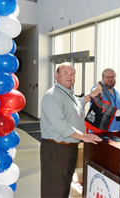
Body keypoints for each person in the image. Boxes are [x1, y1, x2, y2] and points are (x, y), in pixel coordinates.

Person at [40, 62, 103, 197]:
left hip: (69, 148)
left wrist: (90, 96)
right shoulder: (52, 95)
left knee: (63, 188)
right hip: (56, 149)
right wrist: (85, 136)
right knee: (54, 189)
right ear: (56, 76)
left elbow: (77, 104)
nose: (70, 77)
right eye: (65, 73)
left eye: (72, 74)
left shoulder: (67, 94)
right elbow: (60, 124)